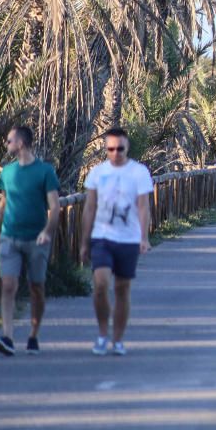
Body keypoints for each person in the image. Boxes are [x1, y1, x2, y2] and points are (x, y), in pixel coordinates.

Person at [79, 127, 154, 356]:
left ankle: (117, 339)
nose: (115, 153)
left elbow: (143, 206)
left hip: (129, 238)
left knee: (122, 289)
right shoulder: (96, 173)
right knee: (101, 285)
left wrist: (143, 237)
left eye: (119, 148)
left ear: (127, 147)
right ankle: (102, 334)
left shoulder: (139, 172)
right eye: (110, 149)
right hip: (102, 237)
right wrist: (84, 242)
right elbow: (89, 207)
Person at [0, 126, 60, 356]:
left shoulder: (45, 171)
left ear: (20, 143)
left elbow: (54, 207)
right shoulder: (7, 173)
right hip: (10, 237)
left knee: (36, 288)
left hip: (37, 239)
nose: (6, 144)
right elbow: (3, 204)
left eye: (9, 140)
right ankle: (8, 336)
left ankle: (33, 334)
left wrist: (47, 231)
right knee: (8, 285)